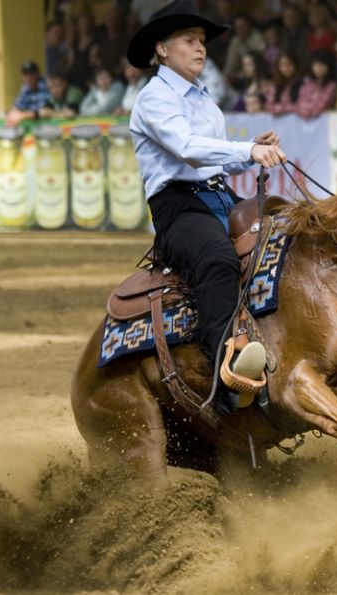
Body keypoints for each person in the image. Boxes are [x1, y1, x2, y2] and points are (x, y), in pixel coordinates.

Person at [127, 0, 287, 398]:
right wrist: (246, 152)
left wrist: (248, 146)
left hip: (217, 196)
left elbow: (215, 161)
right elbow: (187, 148)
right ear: (162, 48)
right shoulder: (154, 98)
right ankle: (227, 377)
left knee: (290, 232)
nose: (200, 47)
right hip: (177, 208)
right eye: (188, 39)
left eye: (201, 41)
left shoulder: (204, 100)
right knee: (217, 260)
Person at [5, 61, 52, 126]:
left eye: (31, 74)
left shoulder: (45, 85)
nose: (28, 77)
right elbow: (18, 106)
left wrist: (21, 115)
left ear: (38, 74)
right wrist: (13, 113)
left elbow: (45, 111)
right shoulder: (25, 88)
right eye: (25, 74)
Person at [296, 49, 337, 118]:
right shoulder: (308, 82)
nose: (319, 68)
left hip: (322, 123)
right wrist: (304, 110)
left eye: (322, 65)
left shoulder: (331, 86)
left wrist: (305, 110)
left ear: (329, 66)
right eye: (316, 65)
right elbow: (299, 103)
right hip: (304, 122)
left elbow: (320, 107)